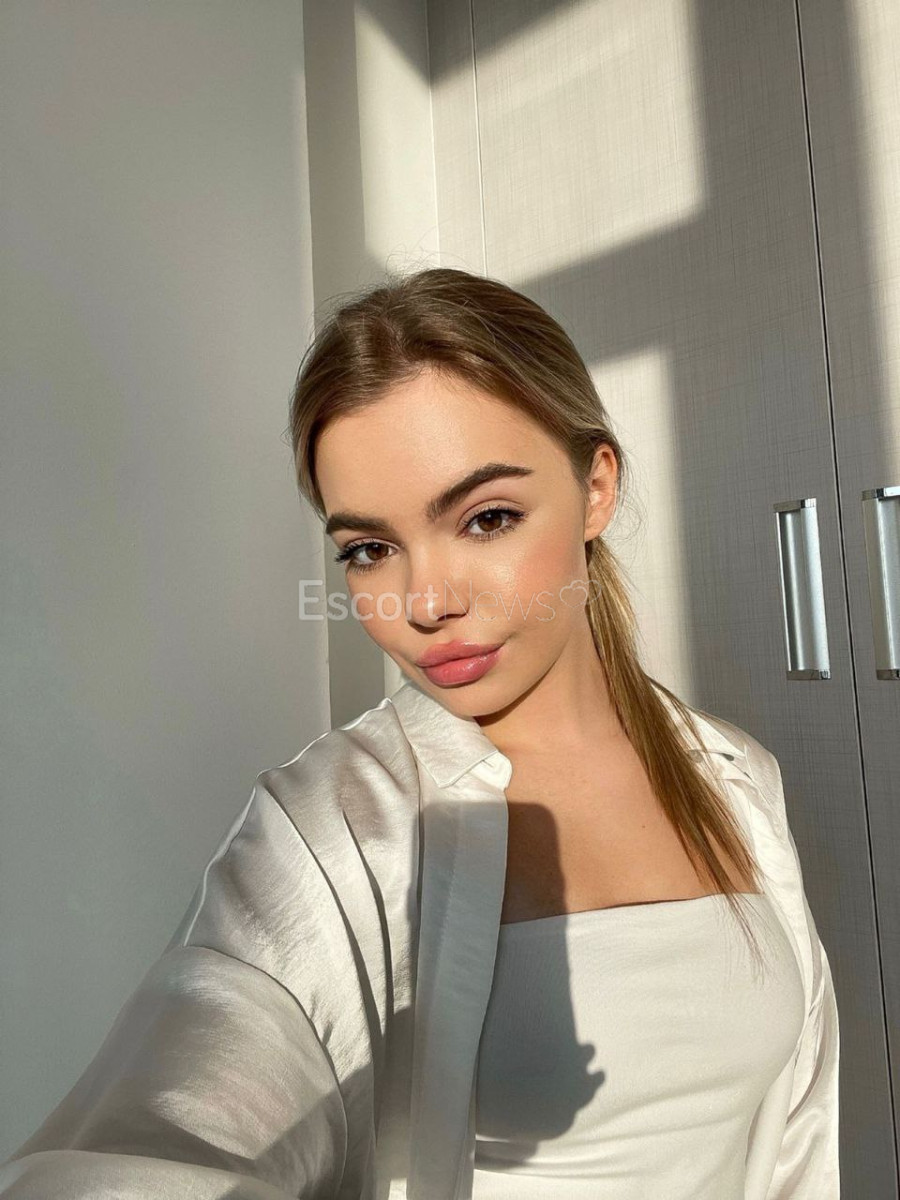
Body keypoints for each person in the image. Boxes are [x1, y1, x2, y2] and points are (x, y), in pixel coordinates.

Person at [0, 267, 839, 1198]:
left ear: (597, 488)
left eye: (487, 519)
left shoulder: (733, 776)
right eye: (369, 550)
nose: (425, 602)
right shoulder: (328, 827)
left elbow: (796, 1143)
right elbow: (167, 1130)